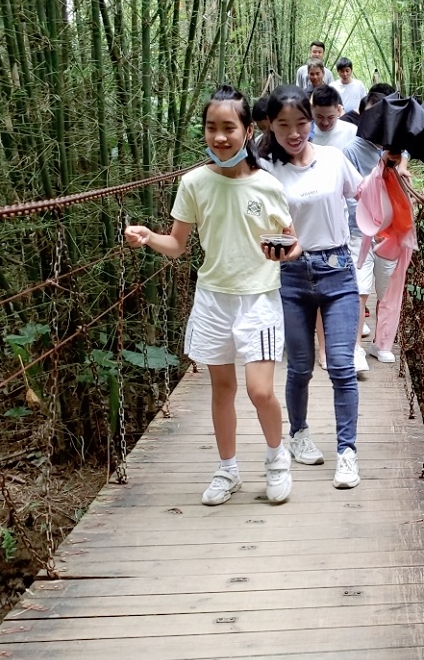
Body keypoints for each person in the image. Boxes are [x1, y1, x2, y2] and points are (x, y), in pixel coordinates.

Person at [125, 85, 299, 507]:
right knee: (222, 388)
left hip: (258, 298)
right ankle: (228, 470)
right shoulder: (194, 183)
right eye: (211, 128)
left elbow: (292, 243)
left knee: (260, 390)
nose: (219, 137)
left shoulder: (268, 186)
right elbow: (178, 244)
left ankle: (277, 460)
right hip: (213, 298)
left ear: (246, 131)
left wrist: (287, 250)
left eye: (229, 128)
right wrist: (149, 237)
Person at [259, 85, 364, 489]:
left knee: (341, 365)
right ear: (271, 125)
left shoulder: (335, 159)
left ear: (313, 121)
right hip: (290, 274)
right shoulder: (266, 170)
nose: (294, 132)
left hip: (337, 269)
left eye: (301, 122)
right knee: (300, 367)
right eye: (283, 124)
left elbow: (362, 193)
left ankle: (347, 453)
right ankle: (299, 433)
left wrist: (393, 168)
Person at [343, 84, 401, 372]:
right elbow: (352, 194)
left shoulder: (395, 150)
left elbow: (402, 189)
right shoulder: (352, 150)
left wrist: (396, 166)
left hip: (391, 232)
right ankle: (355, 349)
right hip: (360, 232)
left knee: (387, 288)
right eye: (370, 116)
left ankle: (381, 344)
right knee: (360, 288)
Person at [311, 84, 357, 150]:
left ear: (338, 110)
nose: (325, 123)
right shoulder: (305, 134)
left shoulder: (351, 132)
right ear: (312, 110)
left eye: (330, 117)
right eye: (320, 117)